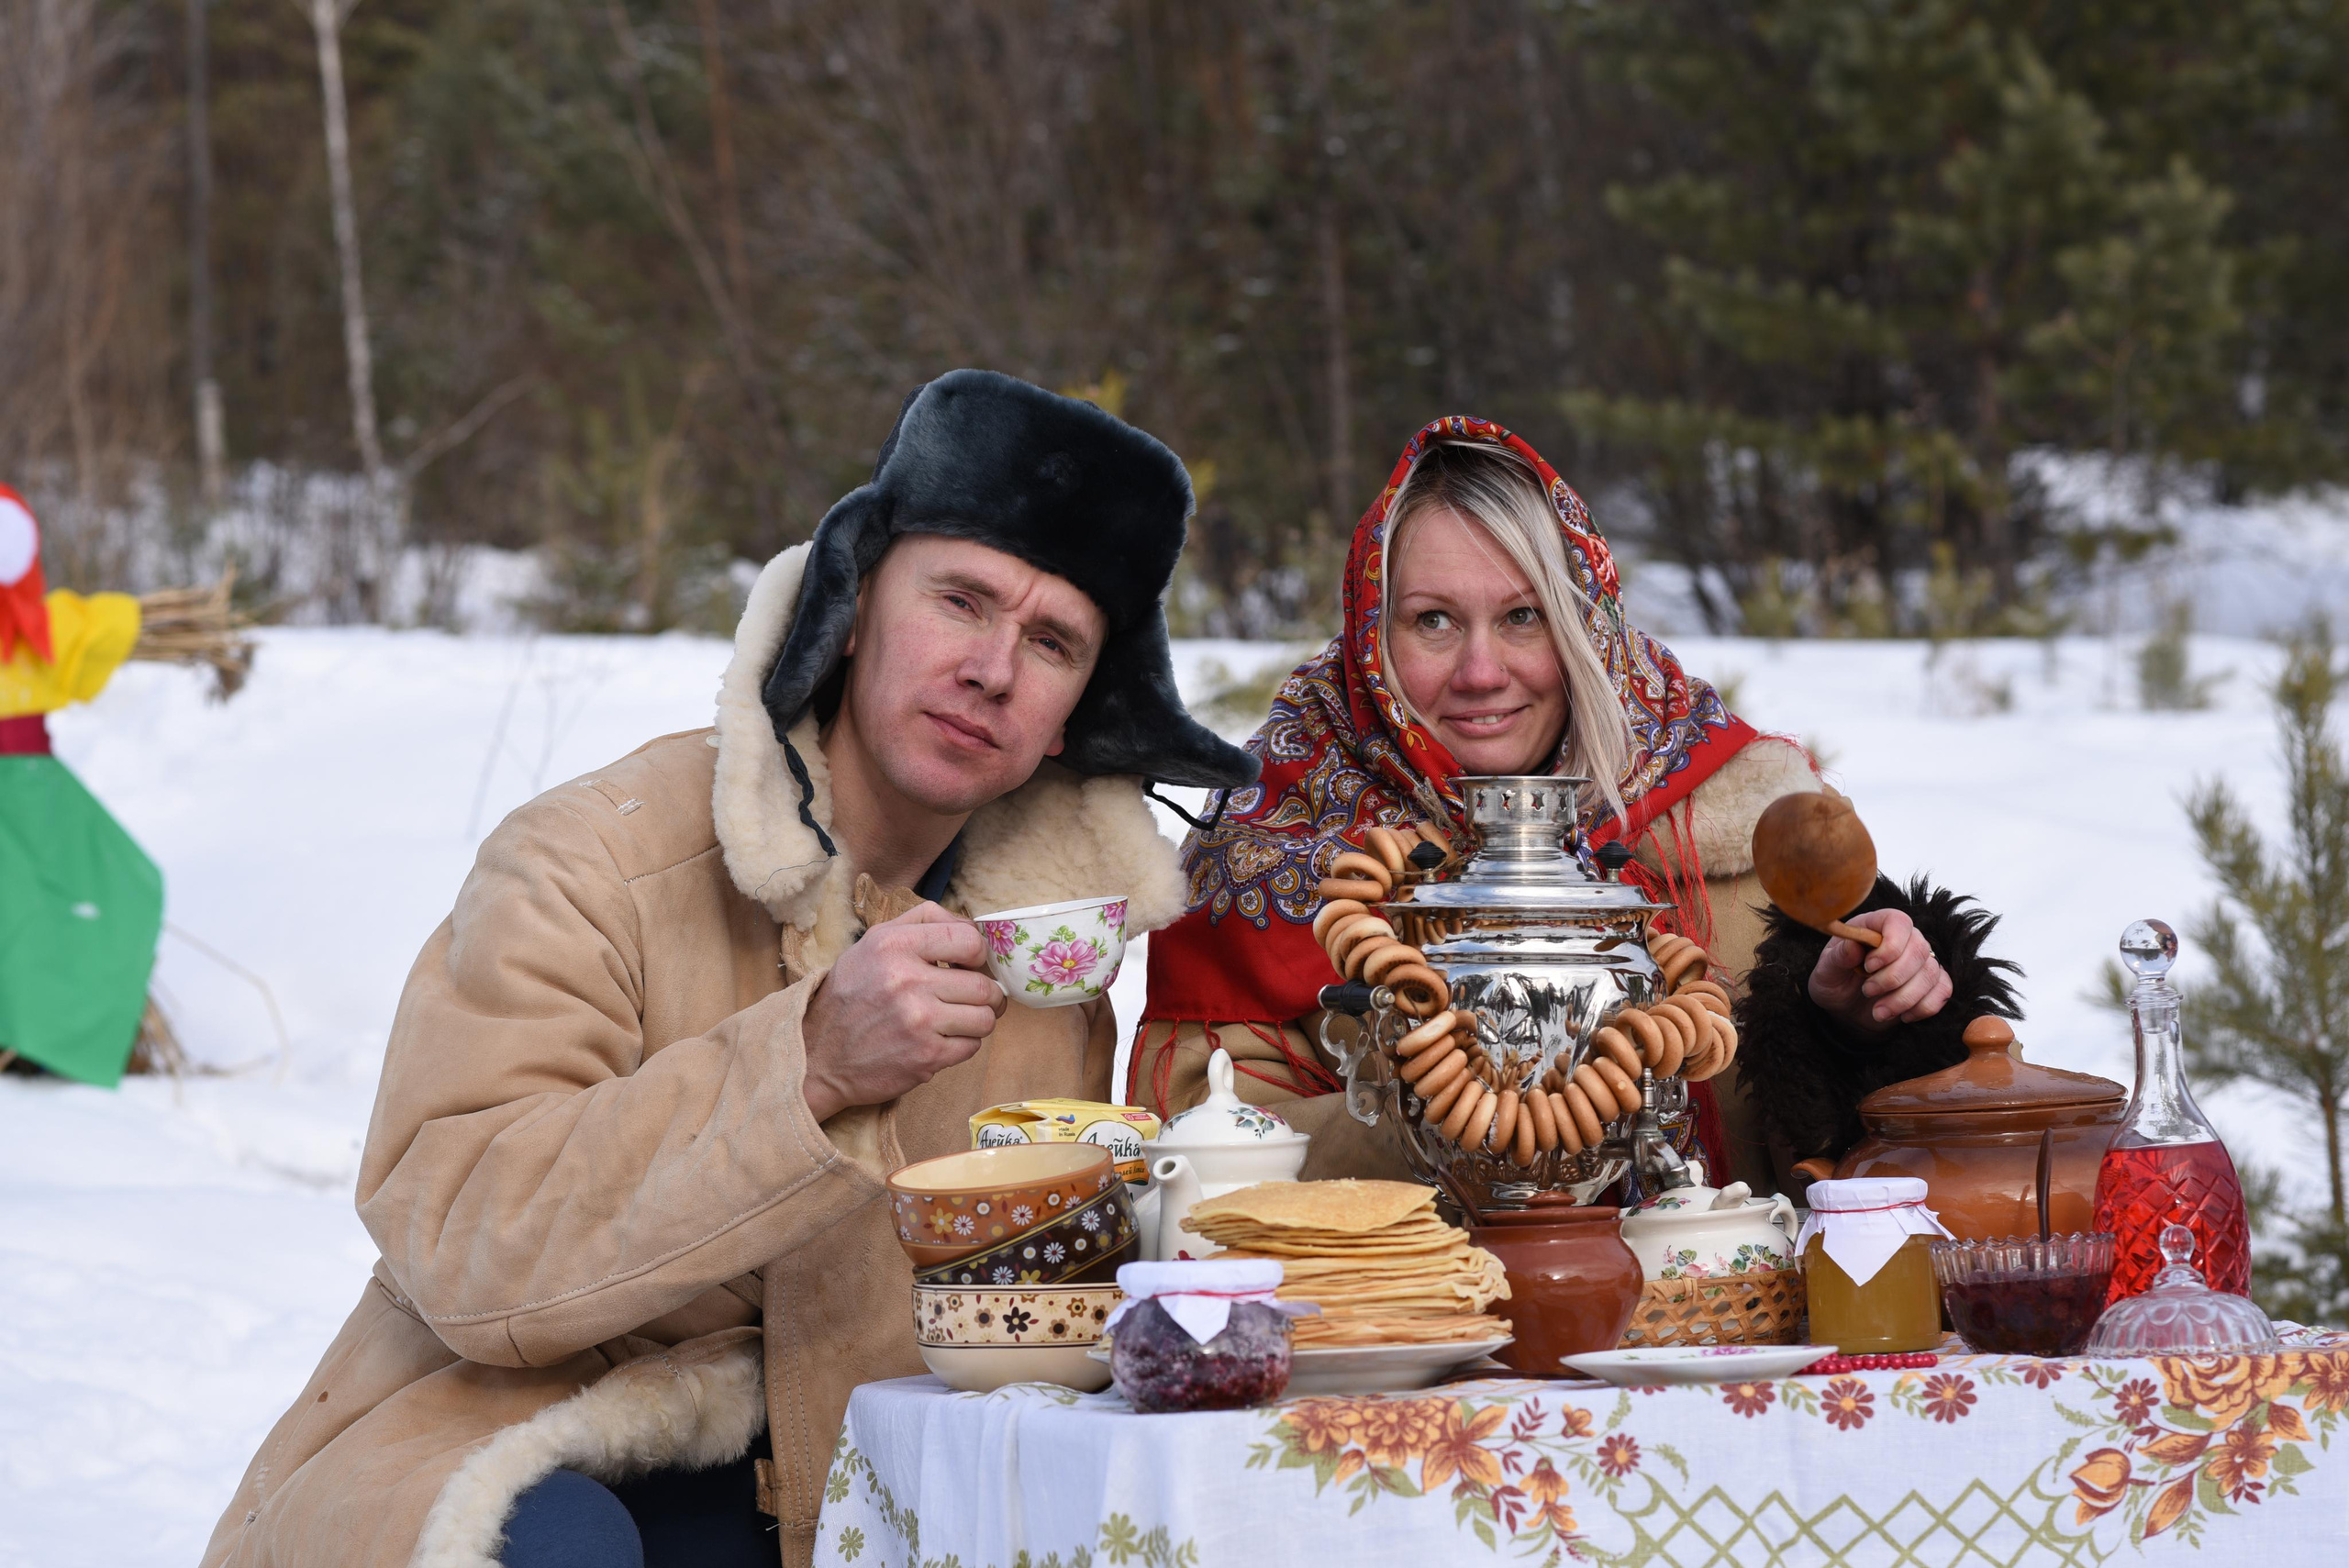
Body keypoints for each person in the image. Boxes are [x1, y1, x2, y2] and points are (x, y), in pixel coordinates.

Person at [199, 371, 1257, 1568]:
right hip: (510, 1467)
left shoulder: (1045, 959)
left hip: (827, 1497)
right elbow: (461, 1238)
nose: (993, 669)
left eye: (1051, 642)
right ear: (855, 604)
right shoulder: (594, 857)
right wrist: (801, 1070)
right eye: (960, 601)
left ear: (1072, 714)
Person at [1136, 418, 2019, 1194]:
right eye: (1434, 621)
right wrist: (1436, 1115)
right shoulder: (1272, 842)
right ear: (1372, 632)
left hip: (1722, 1349)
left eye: (1523, 616)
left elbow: (1893, 1172)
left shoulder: (1735, 820)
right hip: (1399, 1352)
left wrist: (1846, 1020)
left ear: (1585, 625)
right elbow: (1189, 1165)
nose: (1482, 672)